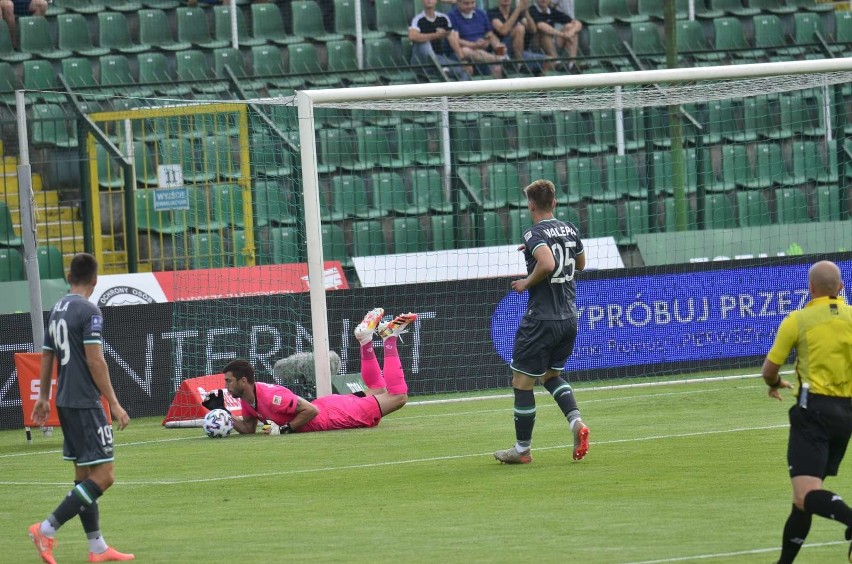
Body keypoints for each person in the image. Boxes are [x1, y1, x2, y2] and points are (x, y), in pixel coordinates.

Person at [28, 253, 134, 564]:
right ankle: (46, 529)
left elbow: (46, 355)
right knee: (105, 476)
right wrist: (113, 402)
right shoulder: (89, 310)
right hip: (86, 402)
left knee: (83, 474)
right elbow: (95, 359)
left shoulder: (57, 309)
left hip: (64, 400)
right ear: (95, 280)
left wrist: (43, 396)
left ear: (69, 277)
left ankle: (97, 547)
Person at [761, 260, 852, 564]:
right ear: (840, 288)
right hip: (846, 416)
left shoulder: (798, 319)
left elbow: (769, 370)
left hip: (813, 412)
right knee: (802, 500)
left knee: (806, 495)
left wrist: (775, 383)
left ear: (810, 289)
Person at [494, 179, 589, 465]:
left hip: (541, 319)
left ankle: (522, 450)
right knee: (550, 376)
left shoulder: (534, 232)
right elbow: (581, 264)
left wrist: (526, 281)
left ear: (531, 205)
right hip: (568, 317)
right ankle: (576, 424)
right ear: (555, 203)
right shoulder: (570, 228)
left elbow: (547, 263)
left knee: (522, 383)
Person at [220, 308, 416, 435]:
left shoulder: (271, 396)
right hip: (331, 407)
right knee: (377, 390)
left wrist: (283, 429)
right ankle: (365, 340)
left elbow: (310, 410)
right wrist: (222, 412)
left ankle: (388, 339)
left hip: (334, 415)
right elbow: (247, 428)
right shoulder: (248, 399)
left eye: (229, 381)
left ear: (243, 381)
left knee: (398, 397)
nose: (226, 386)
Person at [409, 0, 471, 82]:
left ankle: (461, 94)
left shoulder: (443, 18)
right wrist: (436, 35)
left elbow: (452, 38)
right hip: (421, 61)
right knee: (424, 44)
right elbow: (412, 36)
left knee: (464, 71)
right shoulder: (418, 19)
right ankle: (442, 70)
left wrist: (462, 60)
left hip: (439, 59)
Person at [448, 0, 507, 79]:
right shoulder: (452, 16)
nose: (470, 6)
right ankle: (501, 59)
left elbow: (490, 35)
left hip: (484, 50)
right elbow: (455, 40)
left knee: (500, 47)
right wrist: (474, 45)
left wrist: (491, 44)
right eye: (466, 3)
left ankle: (501, 59)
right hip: (462, 53)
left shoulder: (481, 14)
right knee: (467, 50)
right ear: (458, 3)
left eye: (473, 3)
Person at [488, 0, 547, 74]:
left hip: (518, 50)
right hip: (500, 50)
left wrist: (525, 12)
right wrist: (518, 10)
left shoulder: (515, 11)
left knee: (548, 60)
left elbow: (533, 29)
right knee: (519, 28)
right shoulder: (492, 12)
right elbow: (503, 31)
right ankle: (519, 65)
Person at [528, 0, 582, 73]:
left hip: (552, 43)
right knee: (545, 32)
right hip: (537, 46)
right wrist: (563, 35)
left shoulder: (551, 11)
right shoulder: (532, 9)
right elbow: (541, 25)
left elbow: (577, 23)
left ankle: (572, 64)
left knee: (569, 27)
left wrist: (571, 32)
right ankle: (556, 62)